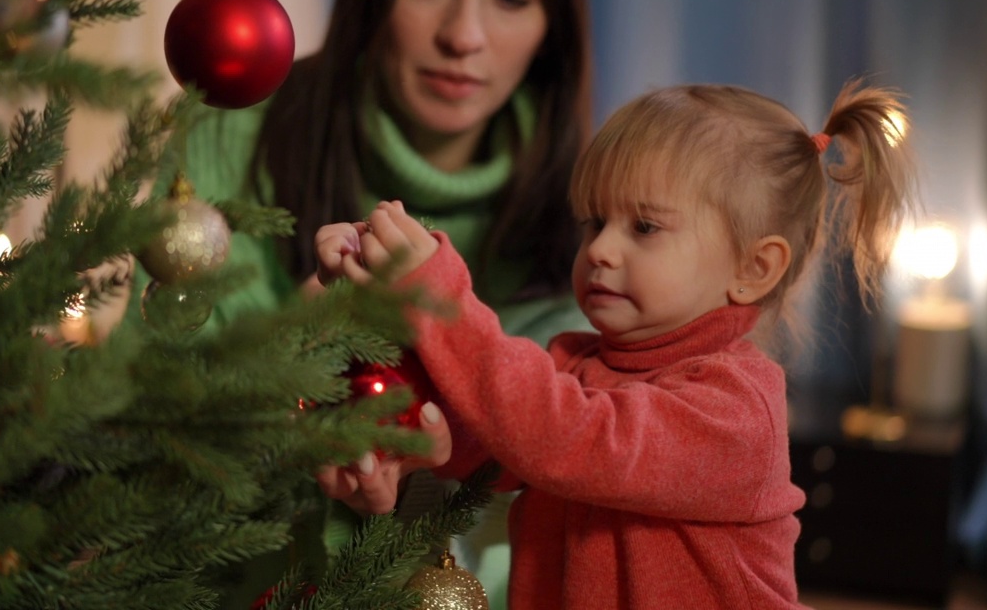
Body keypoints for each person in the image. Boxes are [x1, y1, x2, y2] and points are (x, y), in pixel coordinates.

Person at [144, 0, 595, 605]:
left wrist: (432, 484)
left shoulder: (595, 216)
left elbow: (565, 486)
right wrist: (290, 362)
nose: (464, 34)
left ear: (554, 26)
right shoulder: (234, 128)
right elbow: (167, 413)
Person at [315, 80, 920, 608]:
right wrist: (423, 437)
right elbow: (508, 445)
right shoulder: (576, 363)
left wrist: (440, 302)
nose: (601, 249)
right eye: (594, 223)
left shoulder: (735, 407)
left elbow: (567, 437)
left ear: (754, 269)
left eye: (645, 227)